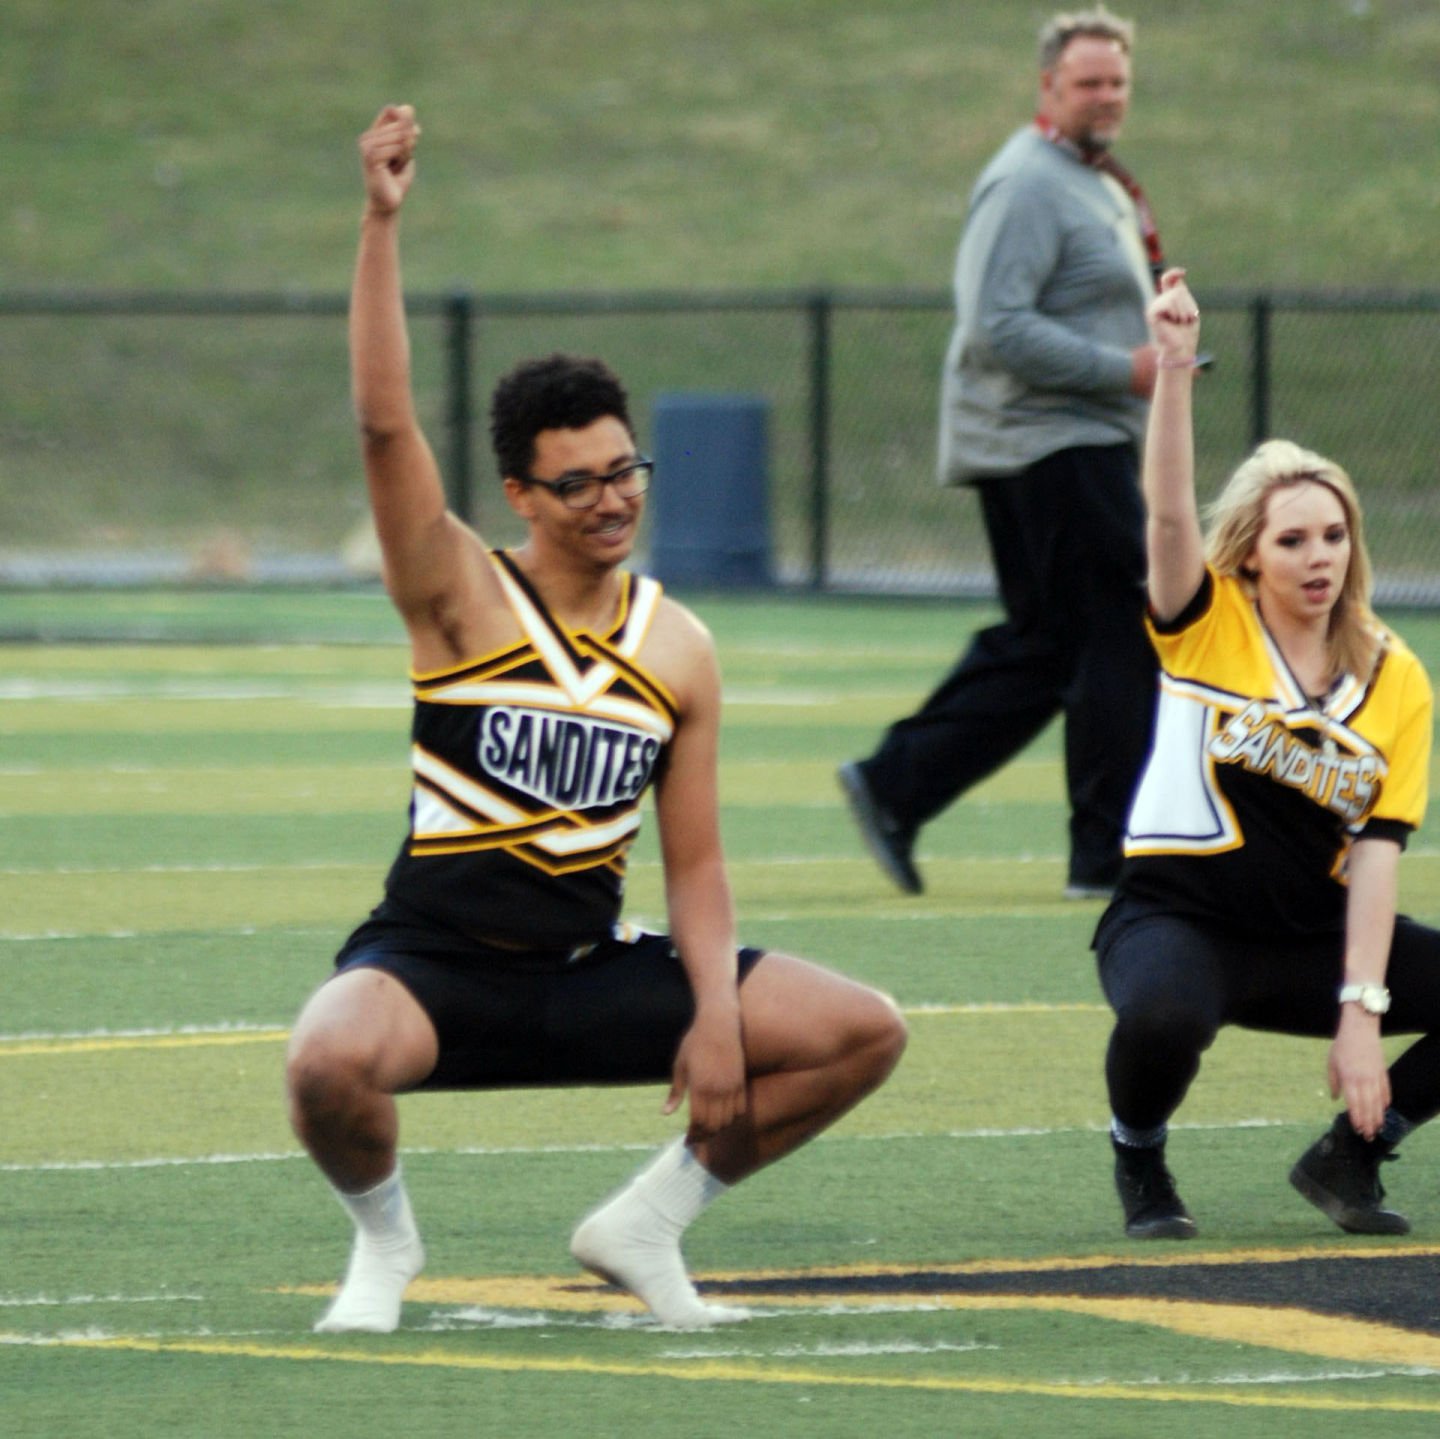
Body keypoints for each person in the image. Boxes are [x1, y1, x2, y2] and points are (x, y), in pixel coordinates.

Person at [285, 104, 907, 1333]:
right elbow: (382, 423)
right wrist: (378, 220)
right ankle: (385, 1243)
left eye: (626, 470)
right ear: (520, 492)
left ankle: (646, 1223)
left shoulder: (680, 642)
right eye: (578, 482)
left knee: (859, 1030)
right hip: (435, 966)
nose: (613, 499)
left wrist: (718, 1018)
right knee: (323, 1060)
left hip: (588, 969)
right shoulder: (459, 593)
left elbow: (698, 858)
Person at [1098, 266, 1440, 1242]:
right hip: (1177, 918)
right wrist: (1171, 369)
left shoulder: (1397, 676)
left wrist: (1362, 1010)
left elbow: (1378, 853)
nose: (1318, 555)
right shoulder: (1207, 624)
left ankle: (1353, 1154)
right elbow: (1167, 519)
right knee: (1163, 1019)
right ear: (1251, 552)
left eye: (1334, 534)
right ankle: (1139, 1149)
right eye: (1292, 539)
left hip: (1310, 935)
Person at [839, 5, 1160, 899]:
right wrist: (1123, 369)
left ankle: (895, 784)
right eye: (1088, 81)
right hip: (1047, 441)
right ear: (1048, 87)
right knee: (1127, 633)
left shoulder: (1088, 178)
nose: (1105, 96)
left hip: (1072, 439)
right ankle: (1105, 860)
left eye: (1116, 82)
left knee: (1051, 646)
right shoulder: (1026, 182)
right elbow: (997, 325)